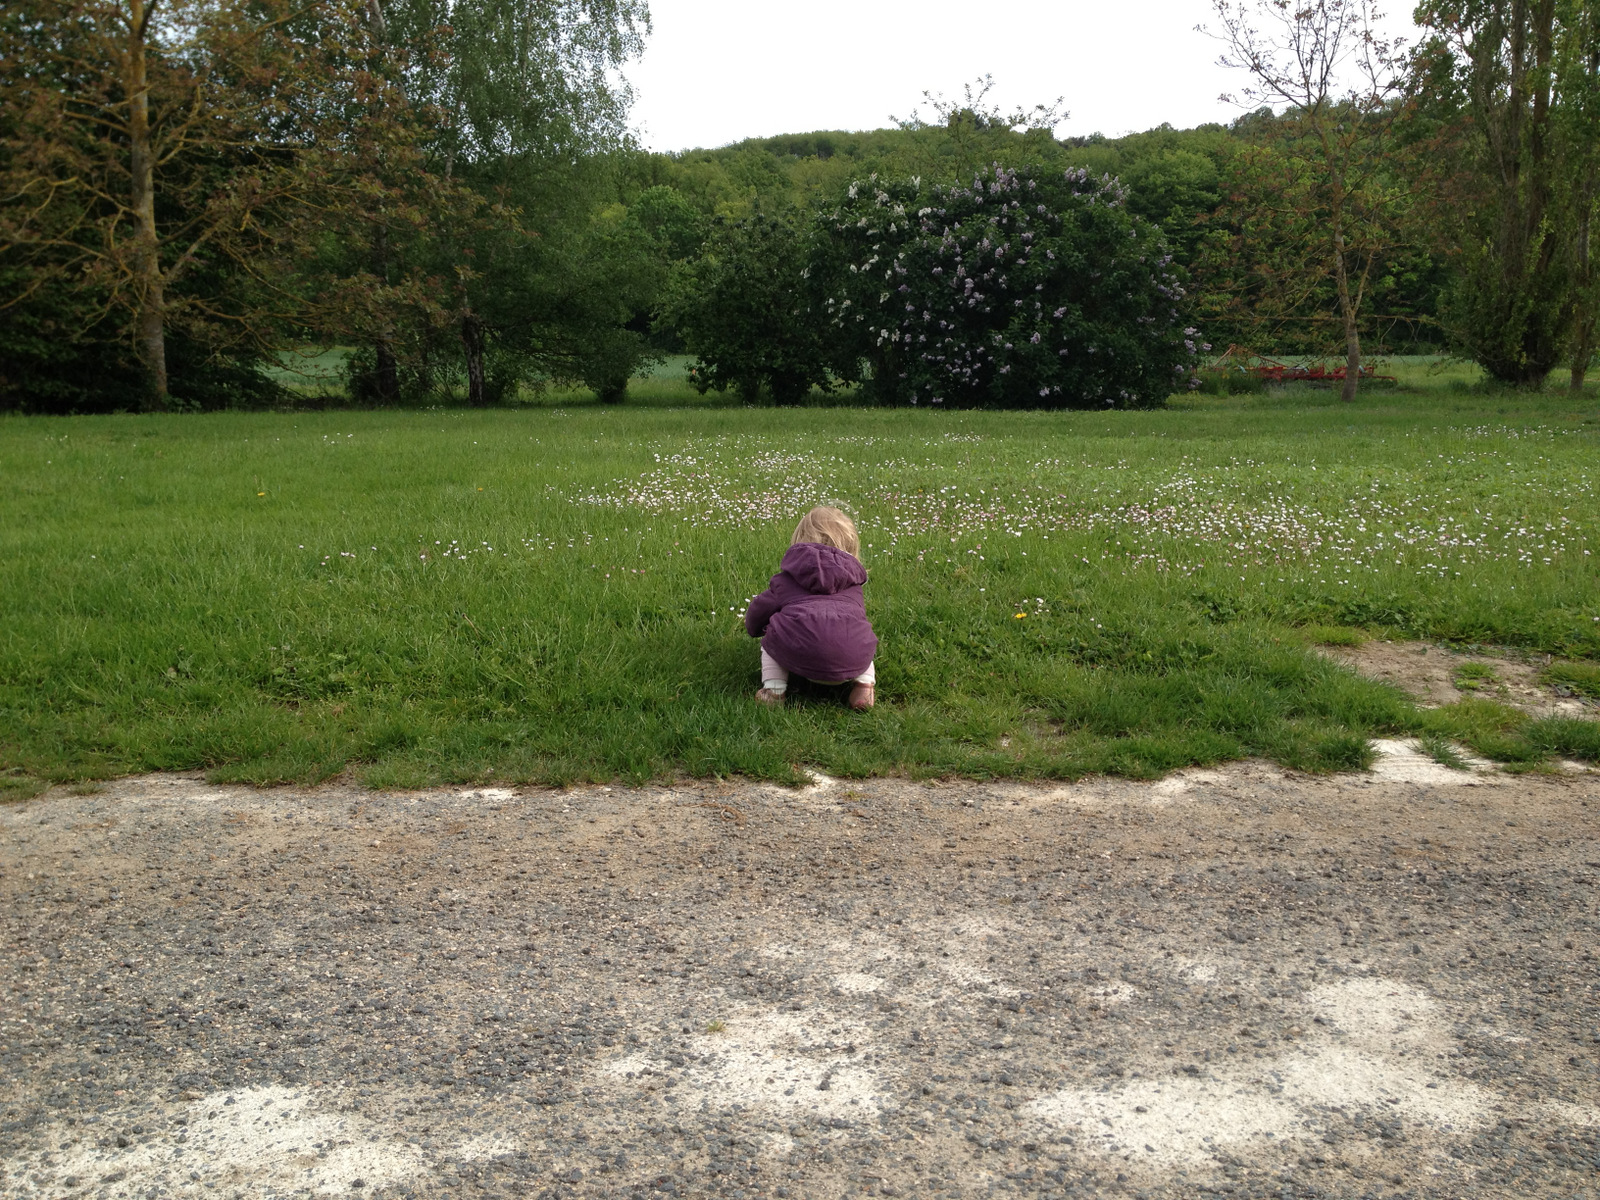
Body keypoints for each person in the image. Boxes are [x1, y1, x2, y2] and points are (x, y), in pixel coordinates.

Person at [744, 506, 878, 710]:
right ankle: (864, 687)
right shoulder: (854, 586)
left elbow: (760, 610)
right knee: (861, 635)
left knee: (772, 635)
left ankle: (774, 690)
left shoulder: (786, 580)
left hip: (801, 657)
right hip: (851, 660)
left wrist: (754, 628)